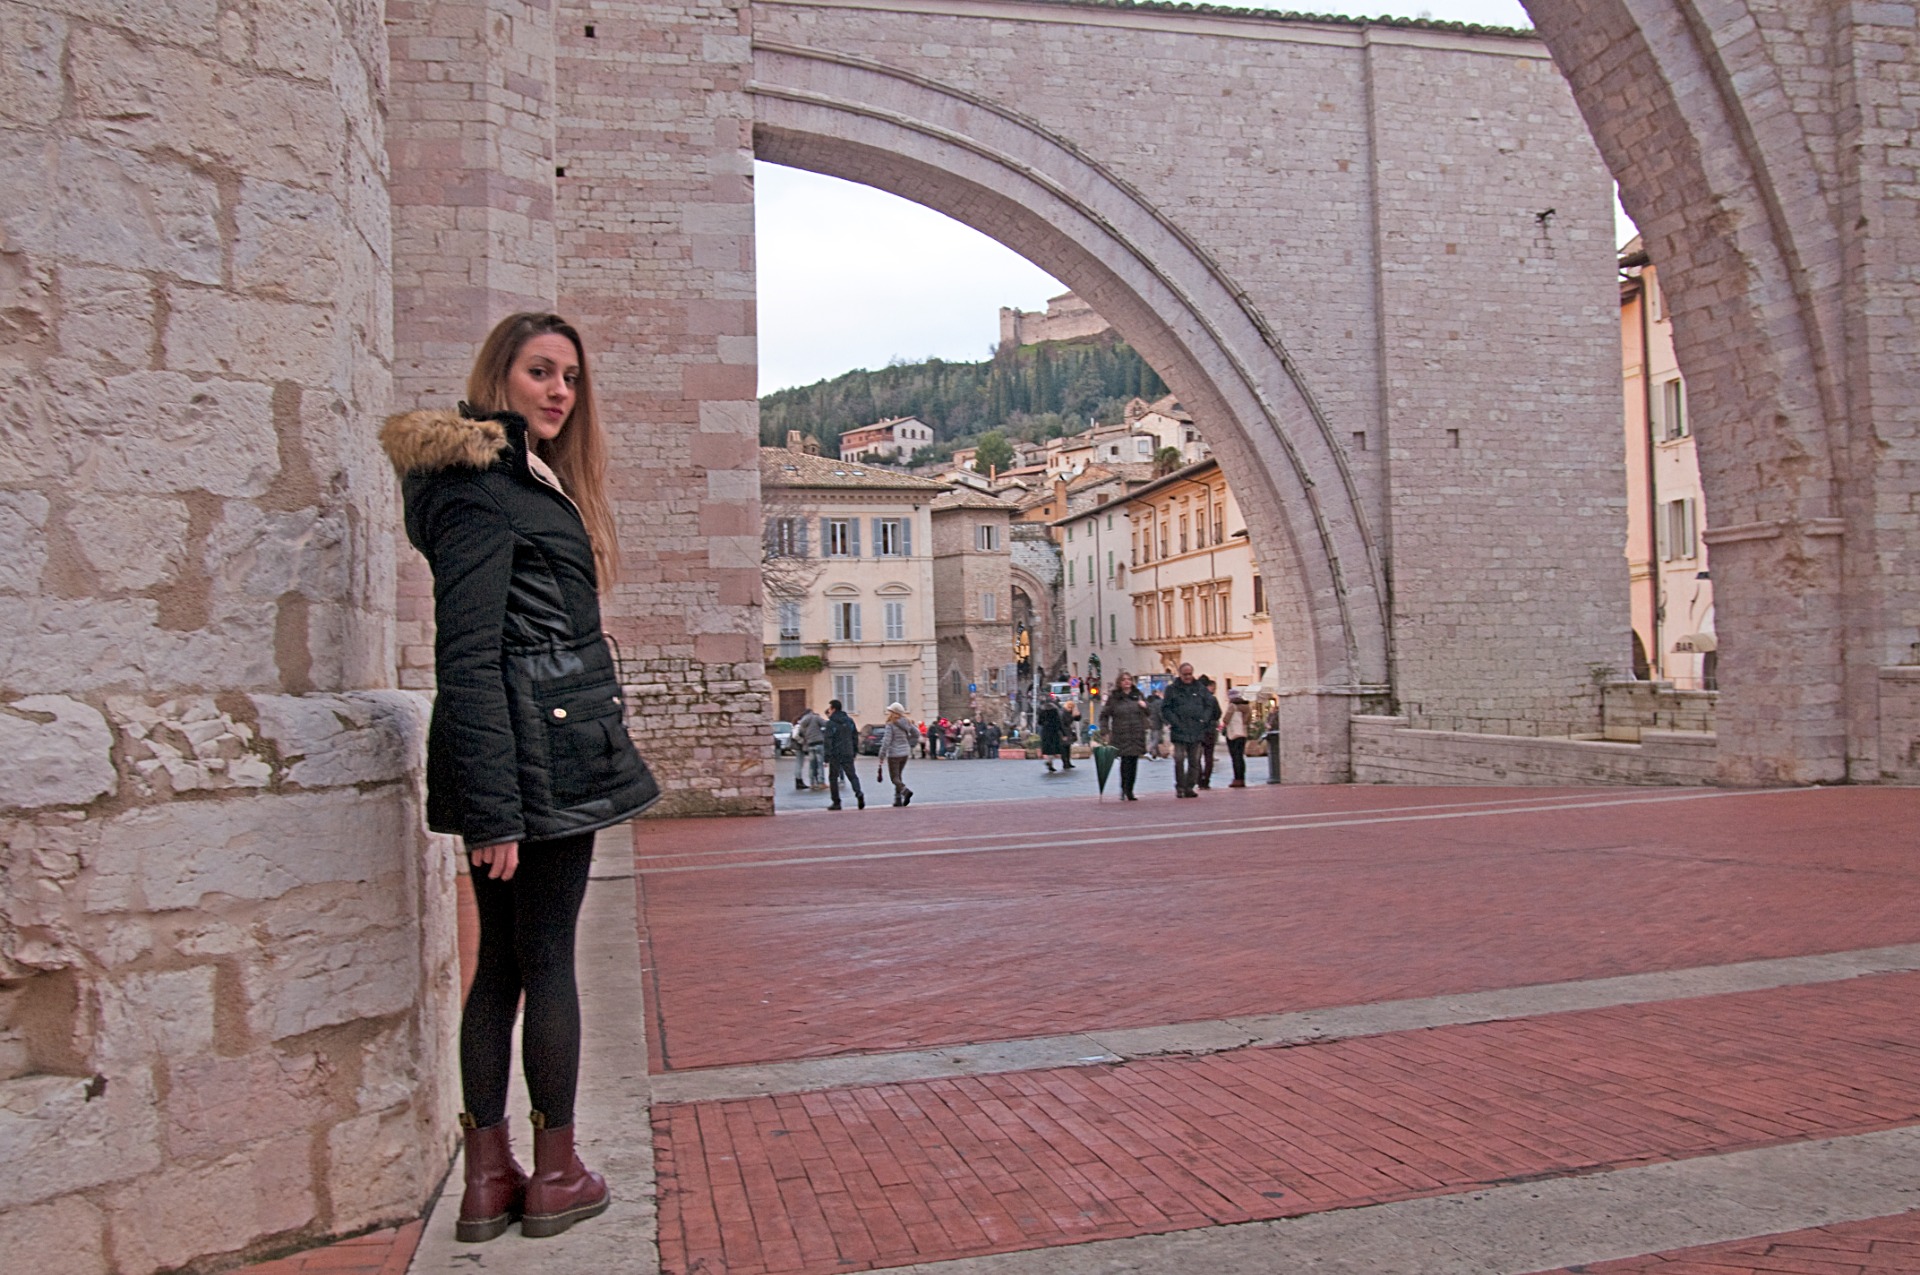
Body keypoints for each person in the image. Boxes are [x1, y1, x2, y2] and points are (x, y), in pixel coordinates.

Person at [382, 312, 660, 1243]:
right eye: (540, 372)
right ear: (498, 373)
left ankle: (489, 1178)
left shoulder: (515, 480)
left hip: (533, 754)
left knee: (502, 966)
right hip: (538, 763)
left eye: (570, 378)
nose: (558, 392)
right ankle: (555, 1171)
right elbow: (465, 656)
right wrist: (496, 812)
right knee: (542, 963)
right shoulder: (478, 491)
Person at [1160, 662, 1220, 798]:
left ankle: (1190, 786)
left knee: (1194, 760)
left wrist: (1204, 720)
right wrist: (1174, 722)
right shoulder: (1172, 689)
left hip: (1196, 729)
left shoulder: (1200, 688)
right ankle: (1180, 786)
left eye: (1190, 674)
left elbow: (1210, 705)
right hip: (1179, 730)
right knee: (1179, 759)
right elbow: (1165, 708)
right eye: (1185, 674)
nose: (1188, 677)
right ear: (1180, 674)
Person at [1098, 672, 1152, 800]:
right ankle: (1124, 788)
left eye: (1129, 679)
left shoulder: (1138, 695)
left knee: (1133, 762)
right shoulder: (1114, 698)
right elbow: (1104, 715)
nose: (1127, 682)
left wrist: (1145, 706)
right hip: (1121, 734)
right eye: (1124, 680)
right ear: (1119, 682)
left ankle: (1130, 789)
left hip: (1136, 733)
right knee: (1125, 761)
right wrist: (1105, 731)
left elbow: (1149, 712)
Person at [823, 698, 865, 810]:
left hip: (835, 753)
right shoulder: (849, 721)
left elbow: (828, 741)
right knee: (852, 775)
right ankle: (859, 793)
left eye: (830, 708)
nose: (829, 711)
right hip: (848, 751)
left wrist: (826, 757)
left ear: (833, 708)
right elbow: (855, 737)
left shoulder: (831, 723)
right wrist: (854, 751)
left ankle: (836, 802)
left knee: (833, 778)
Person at [879, 702, 917, 805]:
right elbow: (916, 733)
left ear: (893, 712)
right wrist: (910, 743)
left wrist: (881, 755)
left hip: (894, 754)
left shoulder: (890, 724)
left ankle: (905, 791)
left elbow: (886, 741)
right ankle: (898, 799)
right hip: (904, 753)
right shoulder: (907, 722)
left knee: (894, 778)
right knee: (899, 776)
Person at [1221, 689, 1252, 787]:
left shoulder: (1232, 706)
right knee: (1240, 757)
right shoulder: (1247, 706)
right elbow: (1247, 720)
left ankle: (1237, 779)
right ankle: (1242, 778)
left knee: (1235, 757)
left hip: (1233, 734)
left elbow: (1226, 719)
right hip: (1242, 733)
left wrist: (1223, 725)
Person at [792, 705, 826, 791]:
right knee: (819, 764)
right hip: (818, 742)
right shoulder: (815, 718)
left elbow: (802, 733)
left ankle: (812, 783)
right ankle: (821, 782)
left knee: (812, 765)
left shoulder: (802, 722)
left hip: (810, 744)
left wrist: (806, 739)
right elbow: (825, 724)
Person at [1037, 697, 1074, 771]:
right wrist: (1063, 734)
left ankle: (1049, 761)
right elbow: (1059, 722)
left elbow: (1039, 722)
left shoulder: (1042, 710)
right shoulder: (1054, 710)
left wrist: (1044, 724)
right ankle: (1050, 762)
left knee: (1048, 749)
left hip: (1045, 731)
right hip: (1054, 731)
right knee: (1055, 748)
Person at [1197, 675, 1219, 788]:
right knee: (1209, 756)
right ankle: (1207, 779)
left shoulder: (1194, 698)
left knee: (1196, 756)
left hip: (1197, 730)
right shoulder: (1212, 698)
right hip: (1210, 730)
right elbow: (1218, 713)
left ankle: (1199, 778)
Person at [1144, 687, 1166, 760]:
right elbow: (1160, 713)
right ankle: (1149, 750)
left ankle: (1155, 754)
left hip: (1150, 721)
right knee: (1156, 738)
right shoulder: (1159, 702)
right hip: (1157, 722)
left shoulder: (1148, 701)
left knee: (1152, 737)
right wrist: (1165, 721)